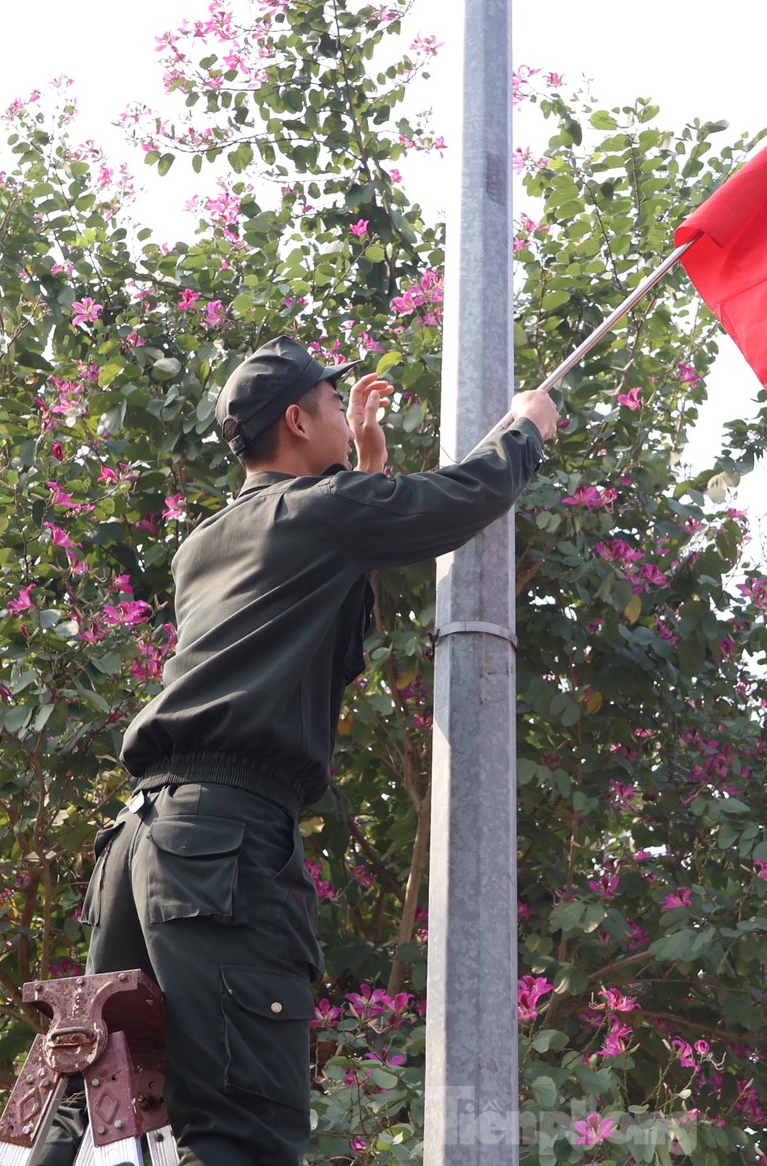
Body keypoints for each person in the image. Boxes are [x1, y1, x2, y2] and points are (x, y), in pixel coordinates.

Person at [32, 336, 556, 1166]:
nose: (347, 421)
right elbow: (458, 499)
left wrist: (360, 473)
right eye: (333, 407)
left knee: (102, 1126)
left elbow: (318, 598)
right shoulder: (323, 513)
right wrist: (525, 430)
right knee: (242, 1131)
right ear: (296, 419)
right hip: (223, 843)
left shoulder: (204, 542)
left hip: (139, 848)